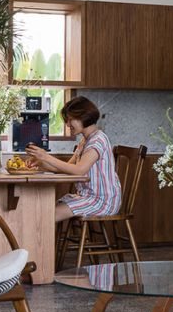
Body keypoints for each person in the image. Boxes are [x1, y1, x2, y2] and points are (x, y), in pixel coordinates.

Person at [25, 96, 122, 224]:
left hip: (102, 201)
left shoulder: (98, 139)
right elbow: (67, 168)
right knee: (44, 210)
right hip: (87, 197)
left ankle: (37, 244)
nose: (68, 125)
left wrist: (46, 156)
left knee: (47, 215)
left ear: (83, 116)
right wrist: (40, 164)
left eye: (70, 120)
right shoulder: (85, 141)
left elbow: (79, 170)